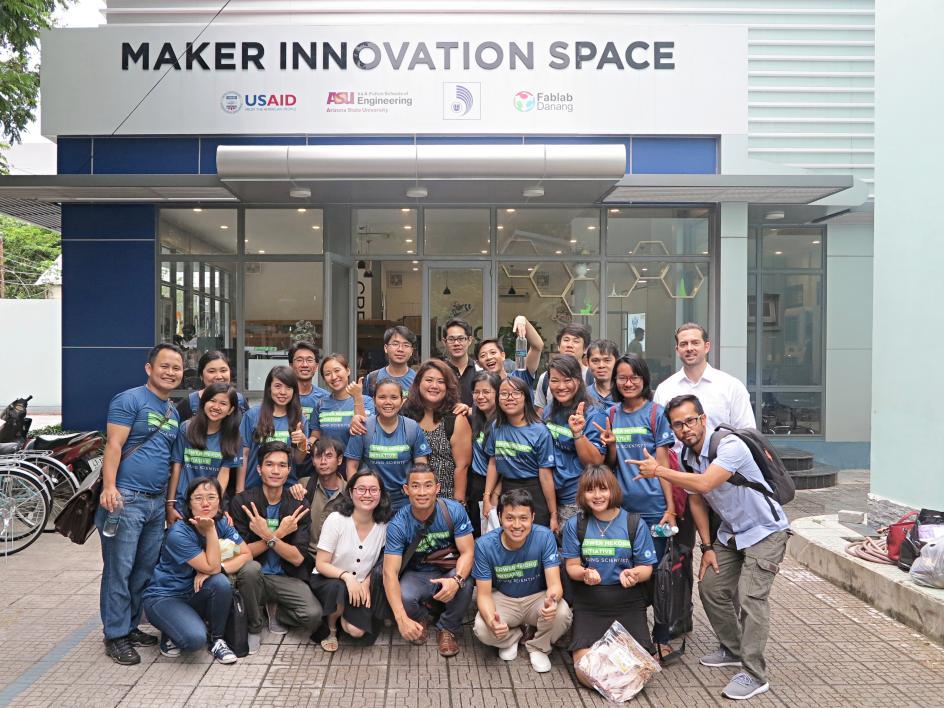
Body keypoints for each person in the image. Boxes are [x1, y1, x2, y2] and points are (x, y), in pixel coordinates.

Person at [631, 394, 791, 701]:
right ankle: (732, 649)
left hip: (766, 531)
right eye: (677, 425)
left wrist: (660, 471)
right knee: (712, 588)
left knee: (751, 598)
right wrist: (706, 546)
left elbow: (704, 484)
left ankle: (755, 674)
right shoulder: (690, 456)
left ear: (703, 419)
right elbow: (696, 498)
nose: (684, 429)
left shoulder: (729, 446)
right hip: (732, 534)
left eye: (690, 421)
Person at [97, 343, 184, 665]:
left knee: (143, 570)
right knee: (119, 570)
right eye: (165, 366)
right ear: (149, 368)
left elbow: (171, 459)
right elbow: (114, 446)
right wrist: (109, 487)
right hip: (126, 500)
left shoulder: (172, 411)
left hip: (155, 503)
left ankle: (130, 625)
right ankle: (115, 635)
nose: (171, 372)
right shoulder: (129, 399)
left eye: (176, 368)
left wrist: (169, 503)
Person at [597, 353, 679, 660]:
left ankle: (661, 637)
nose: (628, 382)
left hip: (655, 507)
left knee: (657, 574)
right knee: (627, 570)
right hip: (623, 510)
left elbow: (663, 464)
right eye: (622, 377)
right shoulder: (612, 413)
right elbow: (613, 464)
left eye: (634, 377)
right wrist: (611, 445)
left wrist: (670, 508)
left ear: (644, 379)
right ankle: (629, 630)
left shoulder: (656, 413)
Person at [561, 465, 657, 688]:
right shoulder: (576, 524)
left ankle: (613, 667)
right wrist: (584, 573)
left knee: (641, 672)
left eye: (603, 489)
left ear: (613, 490)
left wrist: (634, 574)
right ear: (582, 494)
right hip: (590, 603)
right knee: (585, 671)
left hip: (628, 602)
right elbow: (572, 566)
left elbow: (646, 568)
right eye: (590, 490)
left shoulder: (634, 523)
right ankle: (611, 674)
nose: (597, 496)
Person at [142, 477, 252, 664]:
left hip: (193, 592)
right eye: (198, 498)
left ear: (220, 501)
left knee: (220, 582)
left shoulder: (221, 522)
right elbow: (212, 566)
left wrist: (219, 569)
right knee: (194, 640)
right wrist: (210, 532)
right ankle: (170, 629)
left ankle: (217, 640)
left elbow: (247, 554)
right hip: (165, 596)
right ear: (189, 504)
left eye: (211, 497)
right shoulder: (179, 533)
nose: (206, 503)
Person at [229, 441, 322, 654]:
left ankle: (276, 612)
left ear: (289, 470)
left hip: (285, 576)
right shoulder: (242, 502)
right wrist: (279, 534)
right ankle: (254, 625)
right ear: (259, 469)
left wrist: (270, 537)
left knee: (313, 614)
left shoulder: (298, 505)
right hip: (253, 576)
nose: (275, 471)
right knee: (250, 569)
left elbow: (298, 559)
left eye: (282, 465)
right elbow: (242, 554)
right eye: (269, 465)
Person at [472, 489, 572, 673]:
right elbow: (483, 595)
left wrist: (553, 600)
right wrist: (491, 621)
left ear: (533, 517)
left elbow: (555, 584)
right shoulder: (484, 545)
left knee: (562, 613)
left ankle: (538, 646)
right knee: (482, 627)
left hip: (537, 597)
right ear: (500, 517)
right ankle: (513, 636)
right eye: (510, 518)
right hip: (504, 597)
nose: (517, 525)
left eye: (523, 518)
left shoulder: (544, 537)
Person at [382, 464, 475, 658]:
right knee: (404, 595)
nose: (422, 492)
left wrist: (456, 580)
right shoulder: (398, 524)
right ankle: (420, 618)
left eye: (428, 485)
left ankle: (448, 628)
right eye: (415, 486)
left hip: (448, 570)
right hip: (418, 573)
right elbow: (389, 573)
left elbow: (468, 552)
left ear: (437, 488)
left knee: (465, 583)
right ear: (406, 490)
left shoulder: (454, 511)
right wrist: (401, 619)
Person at [310, 469, 392, 651]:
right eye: (361, 489)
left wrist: (367, 583)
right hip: (329, 579)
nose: (367, 495)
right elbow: (321, 563)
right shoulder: (336, 520)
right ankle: (331, 629)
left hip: (360, 583)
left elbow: (381, 561)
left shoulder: (384, 525)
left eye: (373, 490)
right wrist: (347, 577)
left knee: (356, 631)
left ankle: (342, 616)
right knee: (338, 587)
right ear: (350, 492)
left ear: (381, 494)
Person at [483, 376, 557, 531]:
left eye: (516, 393)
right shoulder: (496, 426)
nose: (510, 398)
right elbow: (493, 462)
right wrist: (487, 497)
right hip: (507, 489)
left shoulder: (540, 431)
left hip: (534, 491)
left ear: (526, 397)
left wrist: (553, 515)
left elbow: (545, 475)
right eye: (504, 394)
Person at [344, 379, 431, 512]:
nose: (388, 402)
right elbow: (352, 466)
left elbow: (421, 467)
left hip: (404, 500)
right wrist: (355, 497)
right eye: (382, 397)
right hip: (371, 498)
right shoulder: (362, 428)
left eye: (394, 397)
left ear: (403, 401)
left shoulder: (412, 428)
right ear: (374, 400)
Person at [653, 323, 755, 433]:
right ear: (677, 350)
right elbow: (657, 434)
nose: (689, 348)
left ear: (706, 347)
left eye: (695, 343)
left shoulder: (731, 387)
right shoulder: (664, 390)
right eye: (683, 344)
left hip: (721, 450)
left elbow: (747, 433)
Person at [542, 354, 606, 528]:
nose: (561, 386)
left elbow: (595, 462)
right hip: (552, 499)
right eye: (555, 380)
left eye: (567, 380)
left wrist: (578, 434)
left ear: (578, 381)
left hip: (578, 500)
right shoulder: (549, 411)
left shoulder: (593, 414)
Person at [166, 383, 242, 525]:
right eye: (212, 401)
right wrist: (170, 504)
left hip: (209, 508)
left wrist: (216, 505)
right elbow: (176, 466)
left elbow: (224, 474)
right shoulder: (186, 428)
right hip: (183, 505)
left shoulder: (233, 437)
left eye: (223, 403)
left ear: (231, 409)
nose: (216, 407)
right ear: (204, 402)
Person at [401, 359, 472, 501]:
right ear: (418, 383)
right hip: (405, 498)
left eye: (440, 382)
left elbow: (462, 467)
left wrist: (458, 505)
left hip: (444, 500)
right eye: (429, 380)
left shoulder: (456, 419)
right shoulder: (404, 414)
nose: (434, 386)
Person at [237, 366, 310, 492]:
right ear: (269, 388)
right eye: (278, 386)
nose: (283, 392)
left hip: (286, 489)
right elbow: (244, 454)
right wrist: (239, 490)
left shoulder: (299, 419)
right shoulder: (252, 415)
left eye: (288, 388)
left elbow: (297, 460)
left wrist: (303, 442)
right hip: (254, 487)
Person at [310, 353, 372, 451]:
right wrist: (306, 445)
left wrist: (357, 398)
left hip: (357, 463)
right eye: (328, 374)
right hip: (328, 463)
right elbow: (315, 435)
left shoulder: (366, 400)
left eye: (337, 370)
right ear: (324, 380)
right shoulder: (320, 404)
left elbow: (365, 431)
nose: (334, 377)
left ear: (348, 371)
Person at [467, 371, 501, 537]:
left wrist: (492, 495)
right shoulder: (477, 417)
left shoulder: (501, 423)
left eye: (486, 392)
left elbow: (502, 464)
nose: (480, 396)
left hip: (493, 486)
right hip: (475, 484)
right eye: (476, 392)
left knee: (490, 535)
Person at [533, 322, 593, 415]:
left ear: (585, 349)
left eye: (576, 341)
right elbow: (540, 412)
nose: (570, 345)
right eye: (566, 340)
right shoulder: (545, 377)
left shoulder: (593, 377)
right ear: (558, 346)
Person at [289, 341, 327, 480]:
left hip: (316, 464)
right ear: (291, 366)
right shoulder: (282, 396)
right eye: (299, 360)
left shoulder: (324, 398)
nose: (304, 365)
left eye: (309, 360)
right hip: (287, 461)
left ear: (316, 366)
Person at [175, 350, 248, 422]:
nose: (219, 376)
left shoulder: (240, 400)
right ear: (201, 376)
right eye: (211, 371)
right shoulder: (189, 403)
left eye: (223, 370)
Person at [474, 315, 543, 388]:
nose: (489, 357)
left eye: (493, 352)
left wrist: (522, 320)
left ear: (503, 355)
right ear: (478, 363)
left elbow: (537, 346)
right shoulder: (481, 391)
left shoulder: (519, 377)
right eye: (483, 355)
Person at [303, 437, 347, 548]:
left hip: (336, 557)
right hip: (306, 555)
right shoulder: (303, 485)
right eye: (318, 456)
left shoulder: (349, 492)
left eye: (329, 456)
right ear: (313, 460)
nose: (323, 462)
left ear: (340, 460)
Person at [362, 325, 418, 399]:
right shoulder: (372, 379)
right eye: (395, 344)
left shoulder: (417, 379)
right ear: (386, 348)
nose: (400, 349)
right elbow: (367, 408)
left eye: (406, 345)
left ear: (411, 351)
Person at [440, 318, 479, 405]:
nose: (456, 343)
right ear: (444, 342)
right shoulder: (440, 371)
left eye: (461, 338)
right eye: (451, 339)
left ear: (469, 340)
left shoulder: (480, 370)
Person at [586, 339, 619, 407]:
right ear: (587, 363)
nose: (601, 365)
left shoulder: (626, 394)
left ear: (617, 362)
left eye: (607, 360)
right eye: (595, 361)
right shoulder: (583, 396)